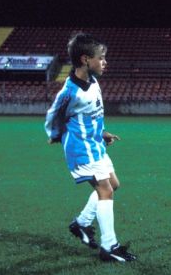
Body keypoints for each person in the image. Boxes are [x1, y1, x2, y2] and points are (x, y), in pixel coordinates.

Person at [45, 32, 137, 262]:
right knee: (105, 190)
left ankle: (82, 224)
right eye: (101, 58)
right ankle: (109, 247)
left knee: (113, 184)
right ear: (86, 59)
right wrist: (54, 134)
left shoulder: (93, 81)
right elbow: (54, 114)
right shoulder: (70, 91)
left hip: (94, 143)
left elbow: (89, 116)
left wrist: (102, 133)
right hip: (80, 149)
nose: (105, 62)